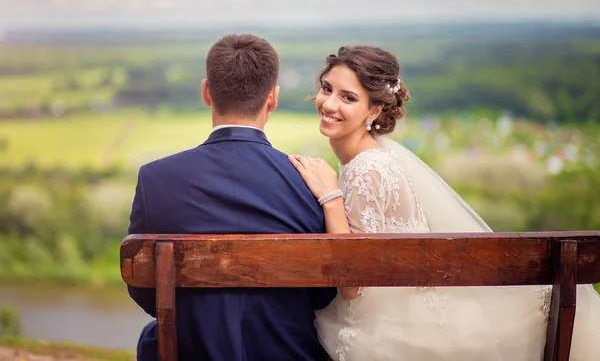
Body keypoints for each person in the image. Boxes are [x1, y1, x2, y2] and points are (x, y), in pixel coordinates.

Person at [289, 45, 600, 361]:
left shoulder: (364, 170)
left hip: (393, 325)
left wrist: (330, 198)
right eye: (327, 88)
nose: (328, 103)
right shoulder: (377, 154)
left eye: (348, 97)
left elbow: (354, 287)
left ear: (374, 110)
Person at [126, 34, 336, 361]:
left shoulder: (155, 178)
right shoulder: (309, 182)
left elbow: (144, 291)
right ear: (273, 98)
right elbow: (323, 294)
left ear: (206, 92)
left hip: (188, 352)